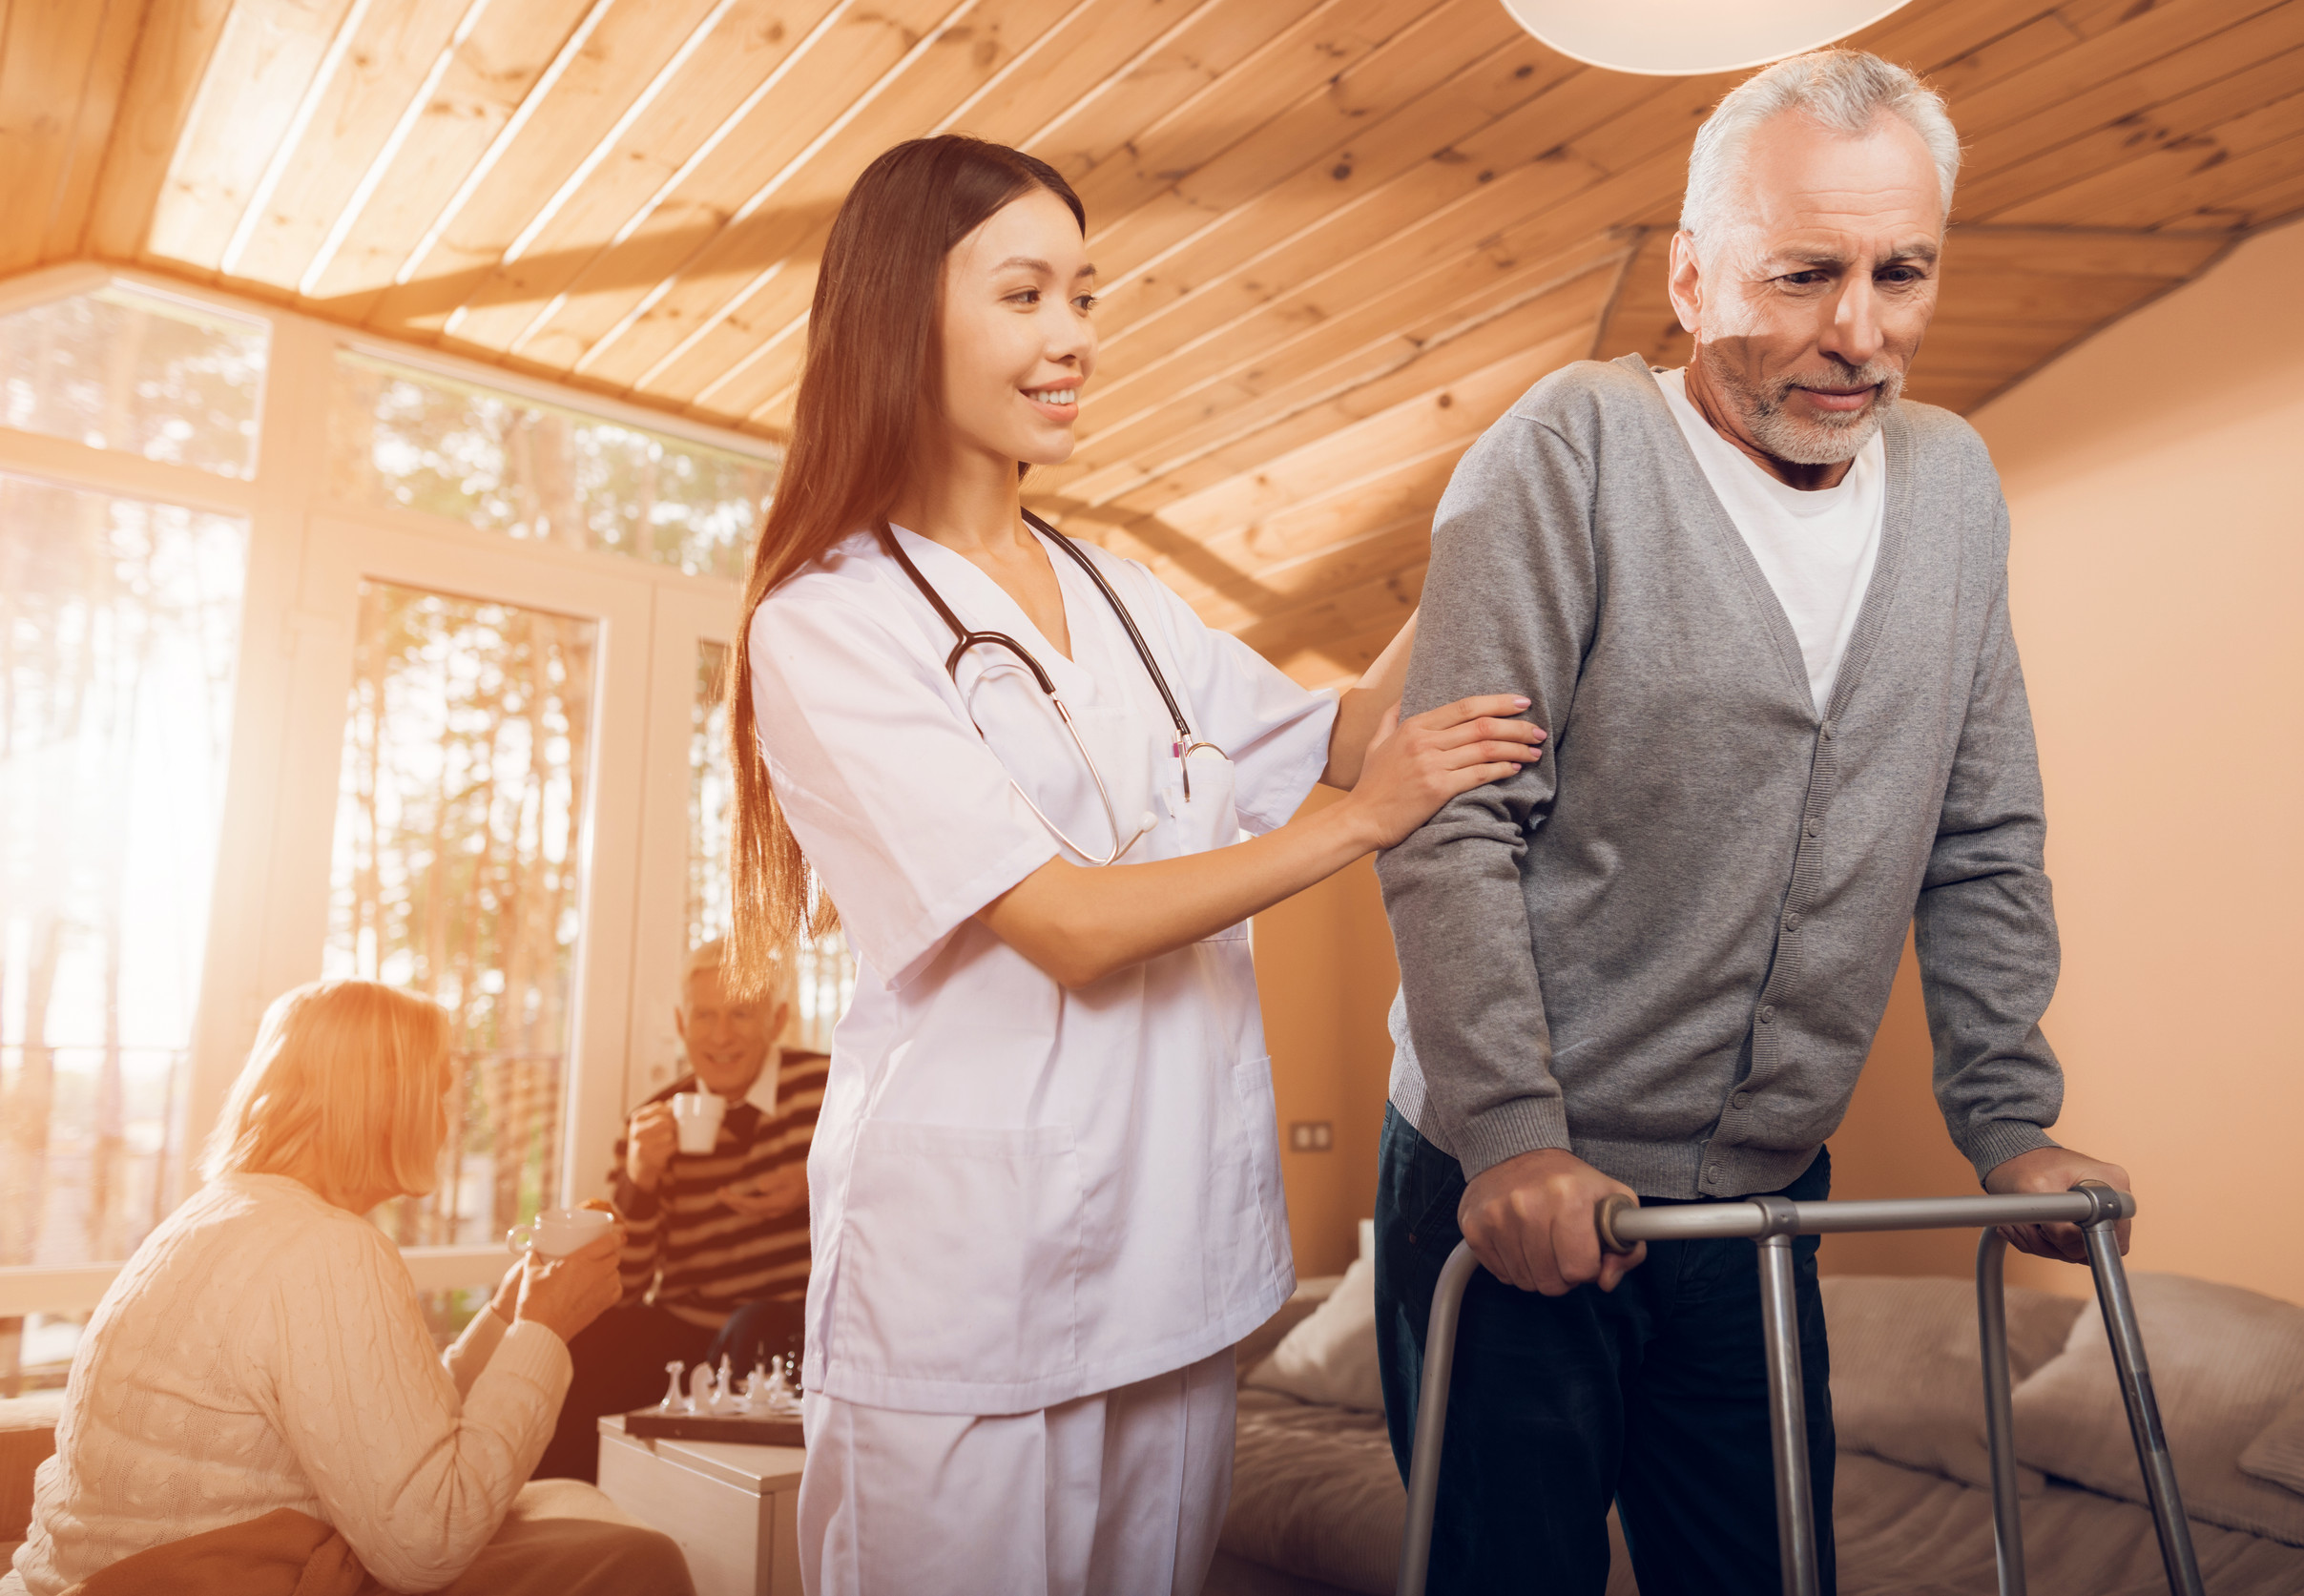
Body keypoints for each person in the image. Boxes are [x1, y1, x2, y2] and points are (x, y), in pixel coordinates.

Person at [719, 135, 1544, 1595]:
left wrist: (1490, 506)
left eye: (1083, 297)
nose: (1073, 338)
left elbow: (1347, 736)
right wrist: (1348, 831)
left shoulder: (1121, 593)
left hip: (1172, 1275)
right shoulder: (828, 622)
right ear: (900, 315)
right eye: (1026, 294)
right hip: (968, 1301)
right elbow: (1067, 923)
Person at [1371, 49, 2136, 1594]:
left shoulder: (1950, 486)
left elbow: (1980, 828)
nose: (1857, 333)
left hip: (1760, 1201)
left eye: (1899, 271)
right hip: (1515, 1188)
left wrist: (2009, 1118)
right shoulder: (1570, 452)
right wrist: (1516, 1138)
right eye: (1801, 276)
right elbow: (1453, 818)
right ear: (1690, 272)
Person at [3, 979, 692, 1596]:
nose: (449, 1122)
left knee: (584, 1514)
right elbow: (429, 1543)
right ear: (383, 1099)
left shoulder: (221, 1210)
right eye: (439, 1091)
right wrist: (546, 1330)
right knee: (644, 1557)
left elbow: (384, 1428)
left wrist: (510, 1312)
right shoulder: (328, 1248)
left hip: (74, 1579)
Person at [533, 939, 826, 1482]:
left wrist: (819, 1183)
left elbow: (898, 1207)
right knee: (582, 1344)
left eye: (742, 1012)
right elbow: (629, 1279)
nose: (721, 1035)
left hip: (792, 1324)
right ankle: (559, 1515)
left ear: (777, 1018)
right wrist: (640, 1178)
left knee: (753, 1325)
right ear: (681, 1022)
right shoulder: (650, 1119)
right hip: (688, 1325)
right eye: (705, 1015)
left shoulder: (828, 1090)